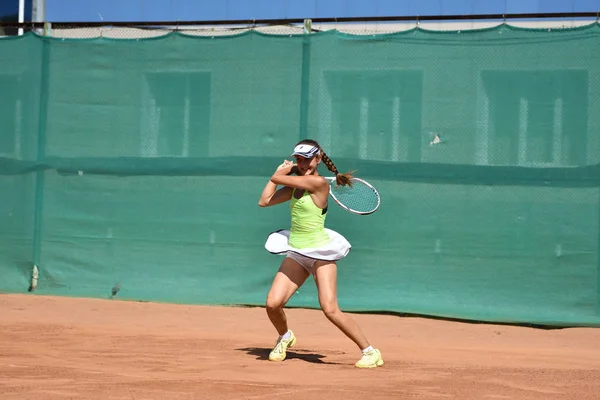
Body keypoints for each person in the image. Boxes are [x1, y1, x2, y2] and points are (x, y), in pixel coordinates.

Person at [258, 139, 384, 368]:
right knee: (272, 304)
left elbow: (277, 178)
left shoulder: (318, 183)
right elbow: (264, 201)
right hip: (297, 251)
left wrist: (280, 172)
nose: (303, 163)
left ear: (318, 159)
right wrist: (280, 174)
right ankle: (285, 336)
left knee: (330, 308)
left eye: (307, 159)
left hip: (320, 254)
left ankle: (370, 352)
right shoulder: (296, 186)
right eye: (299, 159)